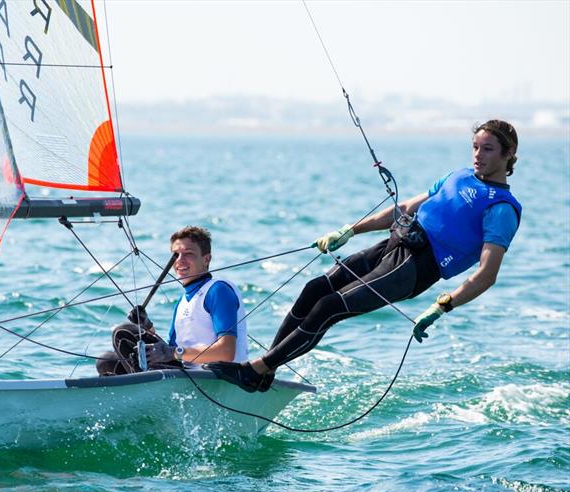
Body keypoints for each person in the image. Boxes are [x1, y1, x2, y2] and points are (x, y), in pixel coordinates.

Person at [206, 119, 522, 392]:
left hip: (414, 269)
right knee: (315, 289)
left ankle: (255, 370)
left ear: (508, 154)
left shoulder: (501, 209)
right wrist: (350, 230)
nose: (478, 155)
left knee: (329, 307)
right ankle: (263, 372)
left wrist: (444, 305)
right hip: (394, 245)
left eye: (488, 149)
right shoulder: (459, 176)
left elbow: (487, 273)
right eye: (475, 147)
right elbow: (405, 208)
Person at [97, 226, 248, 375]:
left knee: (123, 332)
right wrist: (147, 327)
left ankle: (146, 393)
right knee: (107, 362)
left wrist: (174, 352)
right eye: (176, 255)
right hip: (187, 375)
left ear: (206, 259)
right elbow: (169, 351)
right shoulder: (183, 302)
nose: (180, 261)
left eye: (188, 254)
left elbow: (226, 352)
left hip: (215, 378)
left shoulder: (218, 290)